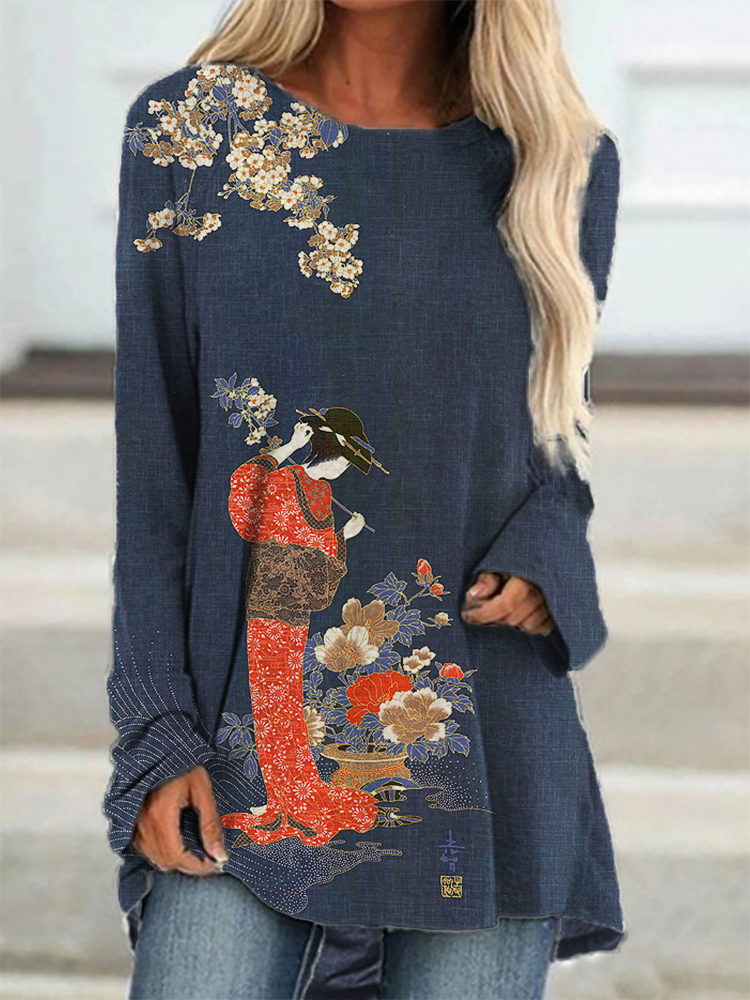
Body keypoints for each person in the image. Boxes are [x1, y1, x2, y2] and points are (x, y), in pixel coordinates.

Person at [104, 1, 626, 998]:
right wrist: (157, 727)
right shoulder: (193, 132)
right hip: (234, 734)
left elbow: (556, 438)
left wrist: (545, 558)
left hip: (487, 734)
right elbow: (156, 463)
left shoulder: (559, 161)